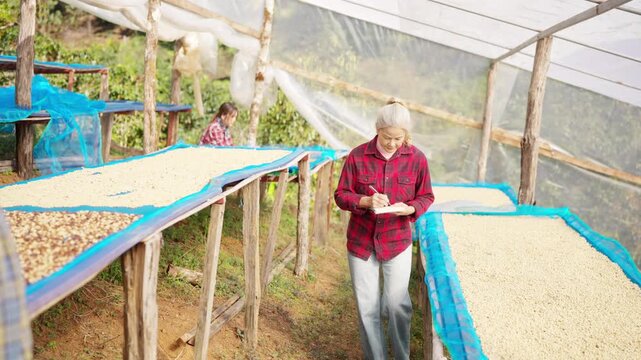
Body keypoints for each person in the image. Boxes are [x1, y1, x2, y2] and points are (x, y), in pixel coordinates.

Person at [334, 99, 434, 360]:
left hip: (397, 241)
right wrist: (365, 201)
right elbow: (341, 195)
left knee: (397, 304)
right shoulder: (357, 156)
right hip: (362, 242)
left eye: (398, 138)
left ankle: (401, 356)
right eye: (387, 137)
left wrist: (410, 209)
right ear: (377, 129)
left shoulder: (417, 159)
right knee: (367, 309)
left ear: (406, 135)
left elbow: (426, 196)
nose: (391, 143)